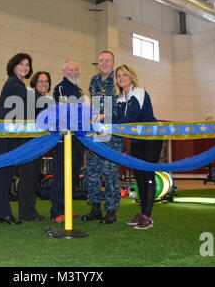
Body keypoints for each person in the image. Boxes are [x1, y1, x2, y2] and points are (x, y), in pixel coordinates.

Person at [0, 53, 34, 225]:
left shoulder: (19, 84)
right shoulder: (15, 83)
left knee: (6, 171)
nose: (25, 67)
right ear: (13, 66)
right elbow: (28, 107)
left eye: (27, 64)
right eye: (21, 64)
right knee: (2, 172)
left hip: (8, 131)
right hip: (0, 131)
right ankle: (2, 213)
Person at [114, 64, 162, 230]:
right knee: (139, 177)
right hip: (136, 141)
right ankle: (142, 213)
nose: (121, 77)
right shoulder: (120, 99)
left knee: (147, 174)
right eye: (118, 75)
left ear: (131, 77)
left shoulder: (139, 93)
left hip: (151, 138)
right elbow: (117, 119)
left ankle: (148, 217)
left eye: (124, 74)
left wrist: (107, 122)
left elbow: (128, 117)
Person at [82, 51, 124, 224]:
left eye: (108, 60)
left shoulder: (118, 81)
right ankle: (95, 208)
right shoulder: (94, 80)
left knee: (111, 173)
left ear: (113, 63)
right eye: (101, 60)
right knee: (92, 171)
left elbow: (119, 109)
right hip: (95, 133)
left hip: (112, 135)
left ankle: (112, 210)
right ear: (97, 63)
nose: (104, 63)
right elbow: (92, 104)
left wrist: (101, 116)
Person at [50, 60, 85, 224]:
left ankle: (67, 208)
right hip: (63, 138)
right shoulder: (60, 88)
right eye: (71, 70)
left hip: (78, 139)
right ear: (64, 72)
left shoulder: (79, 90)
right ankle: (57, 211)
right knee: (61, 174)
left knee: (74, 173)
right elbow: (67, 109)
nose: (74, 72)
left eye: (76, 69)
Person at [15, 71, 52, 222]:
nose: (44, 84)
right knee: (28, 179)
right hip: (28, 144)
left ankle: (30, 211)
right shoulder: (33, 98)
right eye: (40, 81)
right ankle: (27, 213)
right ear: (35, 83)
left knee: (31, 178)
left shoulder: (42, 99)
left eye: (46, 81)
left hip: (36, 145)